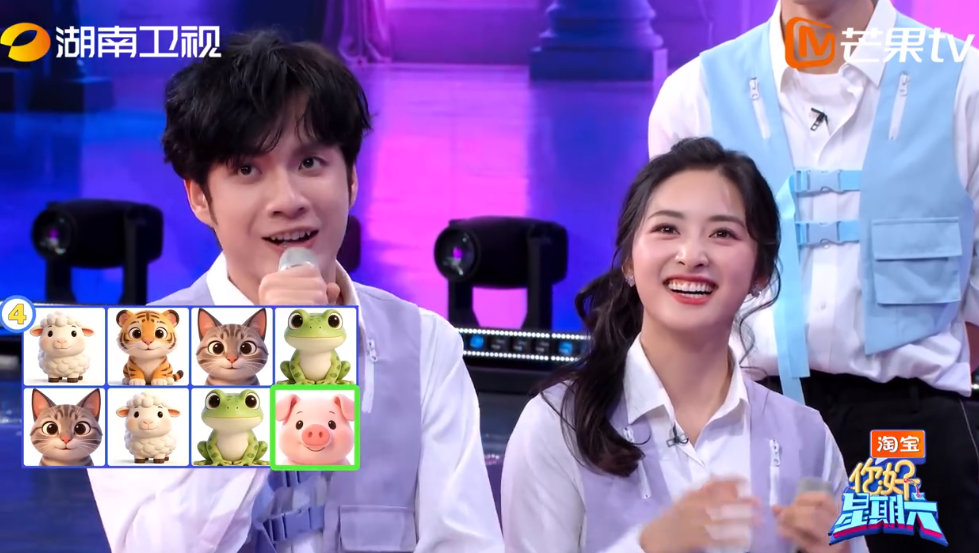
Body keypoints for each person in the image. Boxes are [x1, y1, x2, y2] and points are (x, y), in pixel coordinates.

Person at [85, 30, 504, 553]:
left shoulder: (427, 345)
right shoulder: (126, 354)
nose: (287, 199)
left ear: (351, 179)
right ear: (199, 198)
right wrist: (263, 362)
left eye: (309, 163)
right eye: (247, 169)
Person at [646, 1, 979, 551]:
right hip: (741, 428)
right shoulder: (695, 95)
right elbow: (673, 301)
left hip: (909, 444)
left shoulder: (964, 85)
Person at [501, 137, 868, 553]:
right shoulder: (557, 424)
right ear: (629, 261)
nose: (692, 255)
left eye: (722, 233)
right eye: (667, 229)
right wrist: (649, 546)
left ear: (760, 273)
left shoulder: (806, 436)